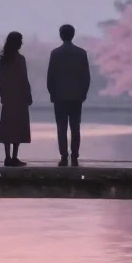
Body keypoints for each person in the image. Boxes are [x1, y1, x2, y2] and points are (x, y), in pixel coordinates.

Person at [46, 23, 90, 166]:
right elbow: (86, 77)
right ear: (73, 35)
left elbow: (50, 76)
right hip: (77, 96)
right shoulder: (81, 53)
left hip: (59, 96)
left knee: (61, 128)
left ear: (61, 35)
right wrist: (83, 93)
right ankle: (75, 156)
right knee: (75, 127)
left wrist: (52, 93)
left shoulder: (55, 53)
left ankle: (64, 156)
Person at [0, 31, 32, 166]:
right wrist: (28, 95)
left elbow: (0, 80)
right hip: (19, 97)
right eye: (20, 41)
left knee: (8, 127)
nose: (22, 43)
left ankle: (7, 156)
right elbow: (24, 79)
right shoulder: (20, 59)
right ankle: (15, 156)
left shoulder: (3, 59)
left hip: (8, 97)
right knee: (18, 126)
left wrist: (2, 95)